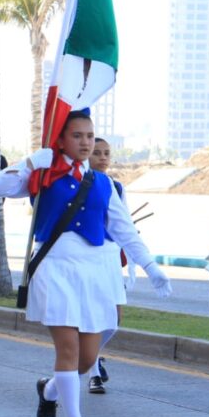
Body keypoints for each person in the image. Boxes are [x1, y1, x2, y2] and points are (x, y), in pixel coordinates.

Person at [0, 109, 171, 417]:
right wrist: (29, 163)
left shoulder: (104, 183)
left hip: (93, 272)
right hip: (55, 268)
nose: (85, 142)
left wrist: (151, 266)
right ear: (60, 139)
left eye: (89, 135)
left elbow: (123, 229)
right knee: (68, 350)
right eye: (77, 136)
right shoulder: (44, 175)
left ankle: (48, 390)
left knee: (87, 359)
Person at [84, 137, 138, 394]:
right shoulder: (77, 182)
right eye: (97, 153)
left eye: (107, 153)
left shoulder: (115, 186)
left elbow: (124, 223)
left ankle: (92, 355)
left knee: (113, 320)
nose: (103, 158)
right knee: (90, 318)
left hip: (110, 258)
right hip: (86, 258)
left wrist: (134, 262)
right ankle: (93, 371)